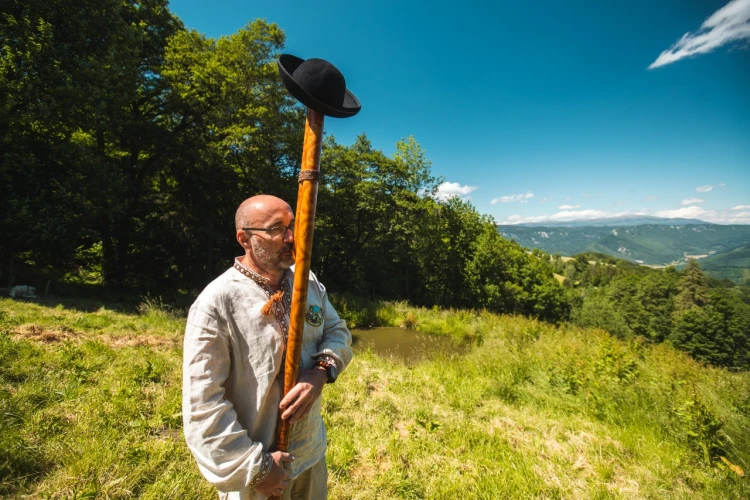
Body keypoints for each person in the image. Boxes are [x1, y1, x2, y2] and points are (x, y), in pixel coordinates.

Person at [183, 194, 353, 499]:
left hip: (310, 453)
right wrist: (256, 468)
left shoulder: (308, 282)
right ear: (244, 239)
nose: (291, 237)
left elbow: (337, 330)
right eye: (277, 229)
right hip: (258, 473)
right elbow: (203, 403)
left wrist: (322, 371)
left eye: (293, 226)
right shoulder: (217, 302)